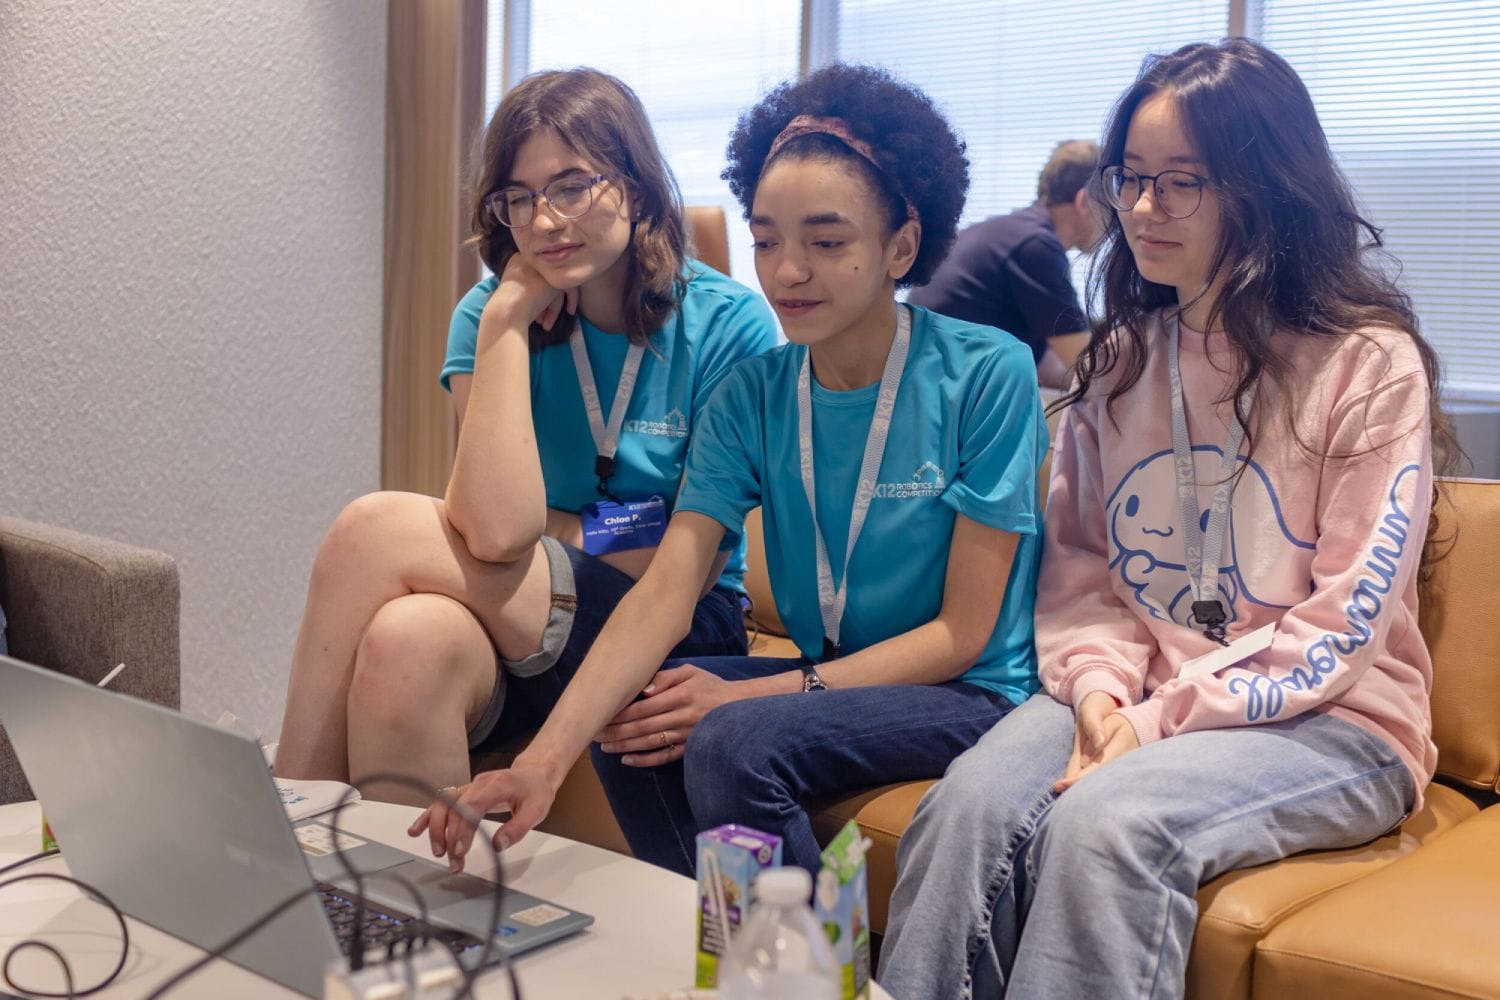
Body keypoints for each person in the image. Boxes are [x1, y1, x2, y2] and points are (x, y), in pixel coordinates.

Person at [880, 38, 1456, 1000]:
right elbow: (1083, 579)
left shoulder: (1367, 364)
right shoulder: (1122, 361)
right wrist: (1103, 696)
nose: (1143, 210)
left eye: (1182, 183)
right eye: (1132, 180)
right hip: (1135, 690)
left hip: (1336, 718)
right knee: (966, 808)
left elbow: (1344, 624)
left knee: (1109, 828)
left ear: (1265, 187)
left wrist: (1152, 726)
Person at [411, 64, 1048, 877]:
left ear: (902, 245)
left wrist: (754, 692)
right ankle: (722, 944)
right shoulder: (756, 394)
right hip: (819, 670)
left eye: (825, 242)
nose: (787, 271)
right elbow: (663, 588)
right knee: (641, 710)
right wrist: (540, 762)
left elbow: (962, 635)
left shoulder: (985, 370)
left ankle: (808, 970)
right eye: (768, 241)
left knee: (729, 738)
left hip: (966, 688)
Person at [273, 68, 777, 803]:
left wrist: (563, 526)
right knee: (405, 639)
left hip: (676, 631)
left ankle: (289, 816)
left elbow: (679, 558)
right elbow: (496, 524)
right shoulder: (489, 315)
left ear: (634, 188)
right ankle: (419, 913)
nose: (544, 221)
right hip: (526, 613)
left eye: (572, 185)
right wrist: (508, 319)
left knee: (370, 531)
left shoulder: (729, 326)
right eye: (519, 198)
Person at [908, 139, 1103, 389]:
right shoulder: (1037, 246)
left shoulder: (1008, 233)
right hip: (939, 390)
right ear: (1084, 202)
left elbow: (1049, 368)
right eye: (1109, 208)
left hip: (928, 379)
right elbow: (1089, 369)